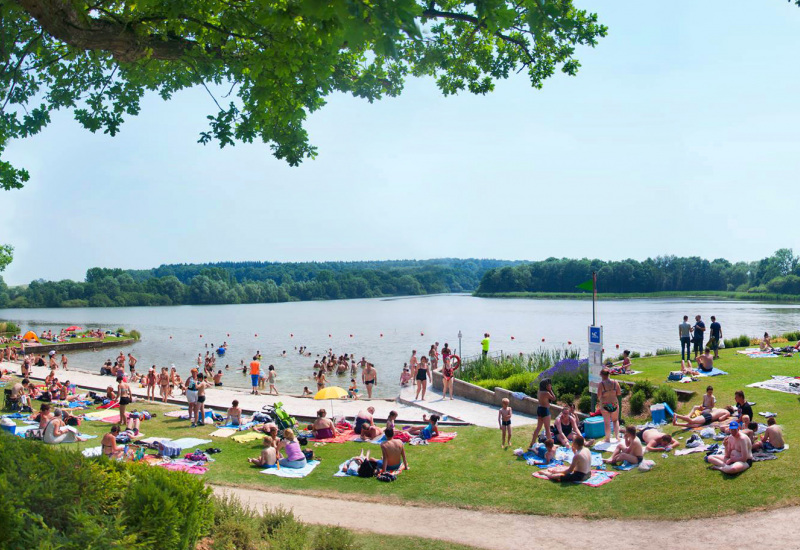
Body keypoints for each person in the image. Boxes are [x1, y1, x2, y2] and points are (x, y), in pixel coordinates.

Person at [528, 379, 556, 449]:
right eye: (548, 385)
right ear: (545, 385)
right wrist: (550, 389)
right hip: (545, 410)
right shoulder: (546, 393)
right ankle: (550, 445)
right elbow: (554, 398)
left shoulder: (539, 392)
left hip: (539, 409)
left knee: (538, 427)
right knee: (547, 429)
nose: (549, 385)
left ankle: (532, 442)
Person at [598, 369, 621, 442]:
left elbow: (599, 396)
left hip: (605, 404)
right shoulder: (615, 382)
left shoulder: (601, 384)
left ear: (602, 375)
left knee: (607, 423)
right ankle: (617, 437)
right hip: (614, 404)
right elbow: (619, 393)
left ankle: (607, 439)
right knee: (615, 420)